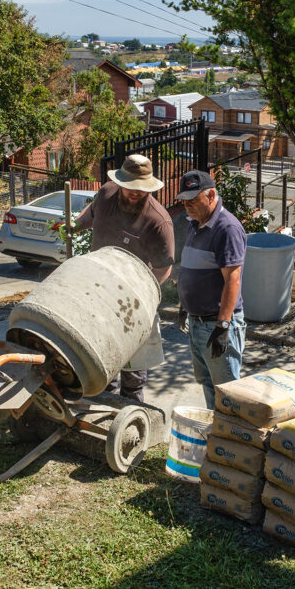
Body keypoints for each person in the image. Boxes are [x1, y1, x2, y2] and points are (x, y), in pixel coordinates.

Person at [73, 154, 175, 402]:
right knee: (100, 352)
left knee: (132, 364)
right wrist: (75, 225)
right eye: (130, 186)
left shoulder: (158, 222)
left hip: (131, 302)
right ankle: (102, 399)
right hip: (96, 291)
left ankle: (130, 405)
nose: (135, 193)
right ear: (120, 182)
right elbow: (91, 213)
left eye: (142, 188)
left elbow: (164, 268)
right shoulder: (107, 193)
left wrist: (139, 295)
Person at [175, 170, 247, 409]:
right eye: (184, 201)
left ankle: (231, 432)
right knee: (207, 383)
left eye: (193, 200)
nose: (187, 206)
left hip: (216, 324)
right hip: (197, 322)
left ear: (211, 196)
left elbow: (233, 280)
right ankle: (216, 431)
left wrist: (223, 325)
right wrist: (184, 305)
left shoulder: (227, 228)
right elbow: (192, 267)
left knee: (227, 392)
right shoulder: (195, 224)